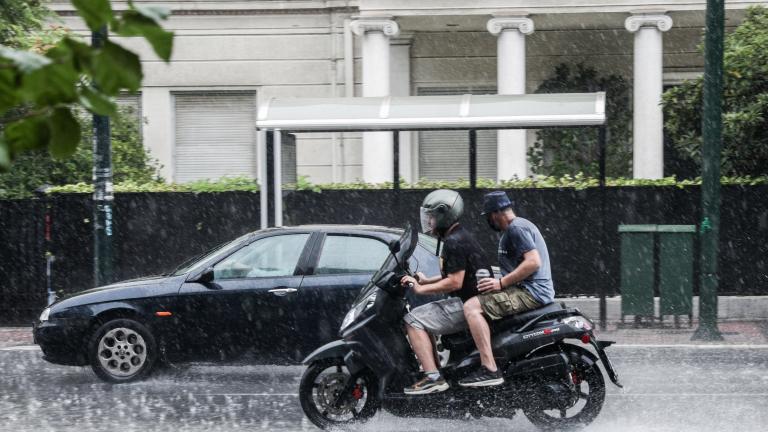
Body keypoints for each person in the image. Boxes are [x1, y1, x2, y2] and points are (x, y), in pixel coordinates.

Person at [458, 191, 555, 387]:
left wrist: (501, 284)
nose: (488, 221)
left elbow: (533, 262)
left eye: (487, 216)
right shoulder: (518, 227)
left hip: (531, 292)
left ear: (494, 214)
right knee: (481, 300)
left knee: (471, 307)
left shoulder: (515, 229)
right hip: (528, 289)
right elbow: (518, 266)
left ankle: (489, 368)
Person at [399, 189, 493, 395]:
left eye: (432, 217)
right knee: (422, 317)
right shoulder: (458, 236)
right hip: (472, 300)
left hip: (469, 304)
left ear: (444, 215)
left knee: (412, 320)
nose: (429, 221)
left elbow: (455, 282)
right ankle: (435, 371)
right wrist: (426, 279)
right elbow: (457, 274)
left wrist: (421, 288)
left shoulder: (454, 241)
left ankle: (433, 377)